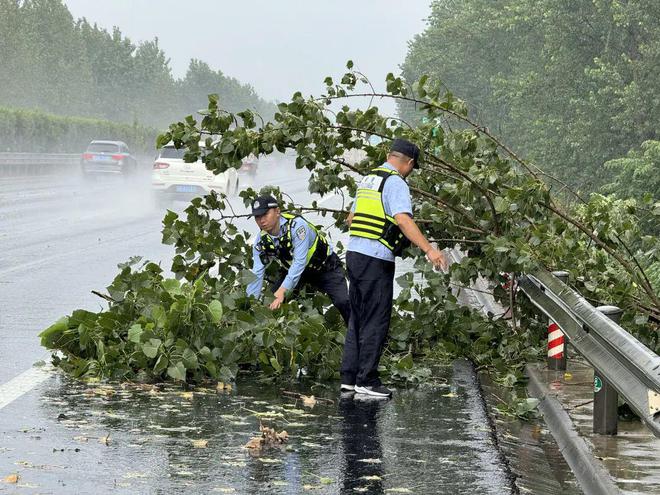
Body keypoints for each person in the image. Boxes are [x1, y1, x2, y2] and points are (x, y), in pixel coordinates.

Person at [341, 138, 447, 398]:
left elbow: (351, 218)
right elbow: (403, 220)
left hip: (354, 254)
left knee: (358, 317)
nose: (410, 172)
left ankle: (349, 378)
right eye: (412, 167)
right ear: (408, 162)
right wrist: (429, 250)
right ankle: (367, 380)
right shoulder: (395, 182)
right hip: (375, 258)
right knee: (376, 319)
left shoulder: (368, 179)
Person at [246, 194, 350, 324]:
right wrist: (249, 305)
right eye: (257, 217)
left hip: (325, 268)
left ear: (277, 212)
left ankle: (361, 334)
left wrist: (282, 291)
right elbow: (256, 273)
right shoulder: (260, 242)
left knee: (343, 302)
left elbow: (299, 262)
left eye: (265, 214)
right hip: (295, 274)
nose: (261, 220)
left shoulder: (297, 226)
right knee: (270, 305)